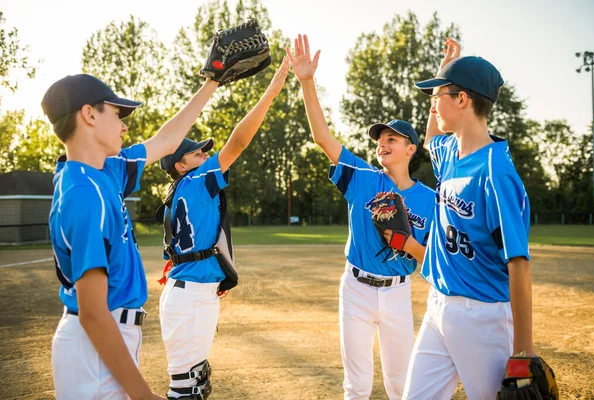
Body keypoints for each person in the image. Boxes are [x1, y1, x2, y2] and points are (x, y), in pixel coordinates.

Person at [43, 73, 220, 400]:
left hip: (105, 343)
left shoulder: (104, 171)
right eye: (117, 114)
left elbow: (167, 141)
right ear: (89, 114)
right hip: (95, 347)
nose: (125, 126)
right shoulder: (84, 194)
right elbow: (94, 314)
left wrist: (213, 81)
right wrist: (142, 394)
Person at [286, 35, 435, 400]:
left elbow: (432, 260)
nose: (383, 142)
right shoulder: (364, 178)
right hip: (356, 290)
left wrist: (406, 243)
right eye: (380, 138)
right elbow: (322, 137)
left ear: (411, 149)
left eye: (393, 139)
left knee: (401, 383)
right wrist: (307, 81)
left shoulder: (431, 199)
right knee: (357, 386)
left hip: (398, 293)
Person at [402, 38, 533, 399]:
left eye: (438, 94)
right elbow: (431, 138)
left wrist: (523, 352)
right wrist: (445, 71)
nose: (432, 102)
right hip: (438, 306)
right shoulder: (448, 151)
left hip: (484, 317)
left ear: (462, 100)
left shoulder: (496, 171)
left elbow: (518, 263)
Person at [156, 57, 289, 400]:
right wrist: (272, 91)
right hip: (189, 299)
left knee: (194, 386)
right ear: (180, 165)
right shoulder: (196, 181)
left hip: (193, 293)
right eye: (197, 154)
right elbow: (239, 142)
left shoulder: (178, 192)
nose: (205, 158)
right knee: (187, 390)